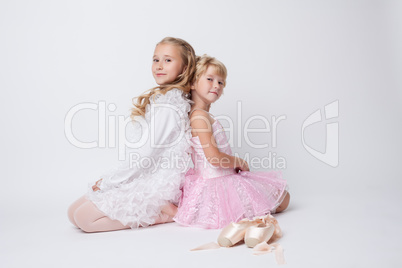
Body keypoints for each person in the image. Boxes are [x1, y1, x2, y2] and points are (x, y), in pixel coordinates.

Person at [68, 37, 197, 232]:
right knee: (72, 213)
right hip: (142, 172)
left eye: (168, 60)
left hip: (156, 186)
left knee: (84, 220)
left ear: (185, 68)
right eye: (156, 60)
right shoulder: (163, 100)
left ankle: (162, 214)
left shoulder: (169, 106)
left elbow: (144, 156)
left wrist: (108, 182)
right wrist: (112, 179)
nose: (159, 66)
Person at [173, 55, 290, 229]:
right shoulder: (199, 117)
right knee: (283, 199)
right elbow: (213, 158)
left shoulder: (202, 116)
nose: (216, 86)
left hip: (225, 175)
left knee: (282, 196)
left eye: (221, 82)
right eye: (210, 79)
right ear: (192, 83)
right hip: (217, 180)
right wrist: (239, 161)